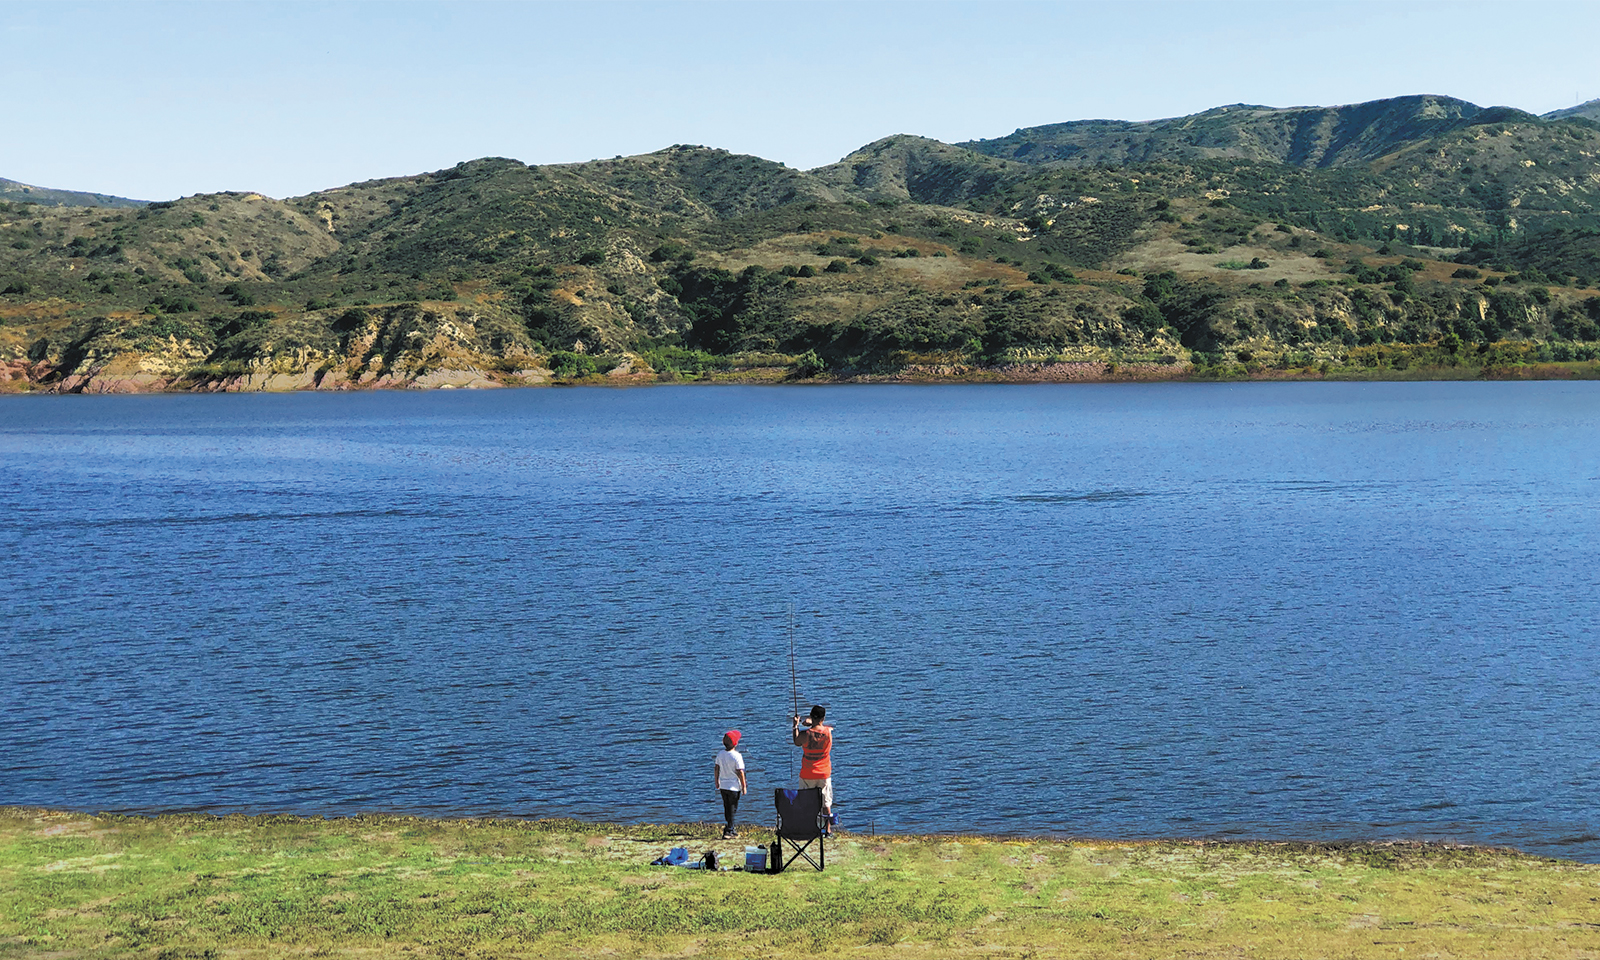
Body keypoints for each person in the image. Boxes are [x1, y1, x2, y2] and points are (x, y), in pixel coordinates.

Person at [792, 704, 835, 833]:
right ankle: (828, 830)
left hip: (807, 773)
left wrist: (796, 725)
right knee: (826, 803)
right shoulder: (828, 732)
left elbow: (796, 741)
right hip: (823, 773)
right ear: (823, 718)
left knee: (806, 802)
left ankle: (808, 827)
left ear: (811, 716)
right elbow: (823, 728)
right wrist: (811, 722)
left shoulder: (806, 734)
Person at [714, 729, 746, 839]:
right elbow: (740, 772)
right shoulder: (737, 756)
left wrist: (717, 781)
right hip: (733, 787)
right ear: (735, 743)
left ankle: (730, 827)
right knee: (733, 808)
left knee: (727, 807)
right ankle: (729, 830)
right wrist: (744, 786)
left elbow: (716, 768)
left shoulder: (720, 754)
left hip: (723, 786)